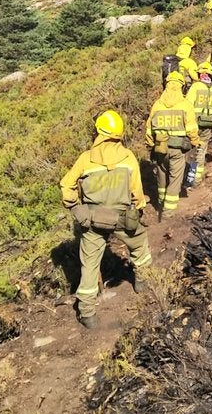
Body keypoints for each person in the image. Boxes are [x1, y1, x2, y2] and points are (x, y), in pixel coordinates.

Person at [60, 110, 150, 329]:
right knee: (139, 245)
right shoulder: (128, 157)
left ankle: (87, 313)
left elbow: (66, 185)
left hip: (93, 220)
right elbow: (136, 191)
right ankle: (142, 282)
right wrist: (139, 209)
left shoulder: (85, 159)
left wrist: (74, 207)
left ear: (99, 131)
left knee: (89, 265)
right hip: (122, 217)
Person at [145, 71, 200, 219]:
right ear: (181, 86)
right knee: (175, 180)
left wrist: (151, 145)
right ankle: (168, 214)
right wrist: (195, 142)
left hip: (160, 149)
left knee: (162, 176)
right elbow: (191, 129)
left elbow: (149, 129)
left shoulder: (157, 105)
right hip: (178, 150)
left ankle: (160, 203)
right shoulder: (185, 105)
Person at [185, 62, 212, 185]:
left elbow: (187, 105)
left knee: (189, 151)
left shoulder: (195, 87)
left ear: (199, 74)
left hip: (193, 124)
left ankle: (187, 178)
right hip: (208, 125)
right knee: (201, 151)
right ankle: (196, 179)